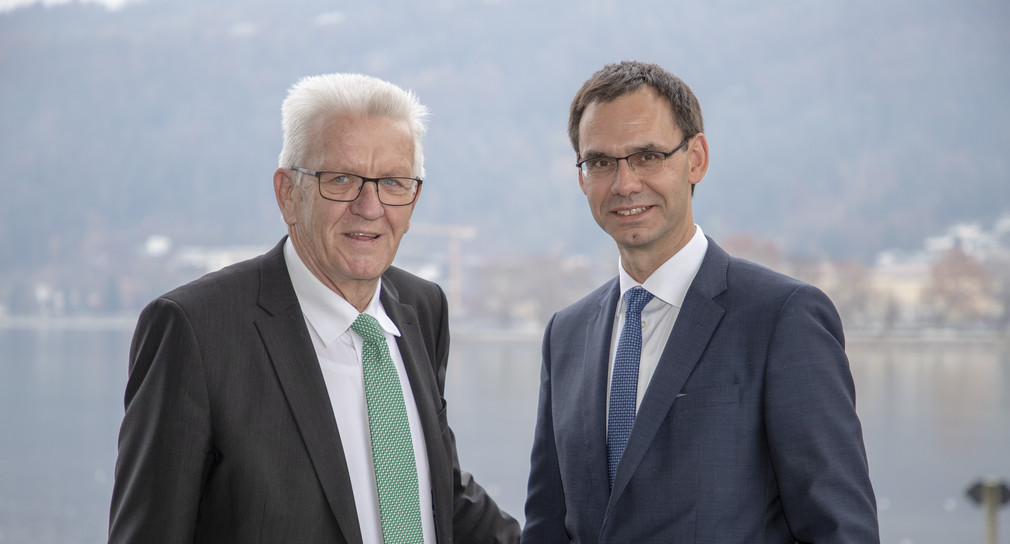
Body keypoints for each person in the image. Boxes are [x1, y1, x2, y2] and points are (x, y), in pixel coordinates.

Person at [109, 73, 520, 543]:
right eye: (341, 179)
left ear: (414, 197)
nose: (370, 206)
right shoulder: (196, 330)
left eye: (392, 182)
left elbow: (436, 491)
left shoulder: (423, 310)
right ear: (288, 193)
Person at [522, 61, 879, 543]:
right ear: (582, 177)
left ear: (697, 159)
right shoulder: (566, 334)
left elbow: (840, 530)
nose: (625, 183)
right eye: (601, 162)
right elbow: (548, 525)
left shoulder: (782, 318)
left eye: (647, 156)